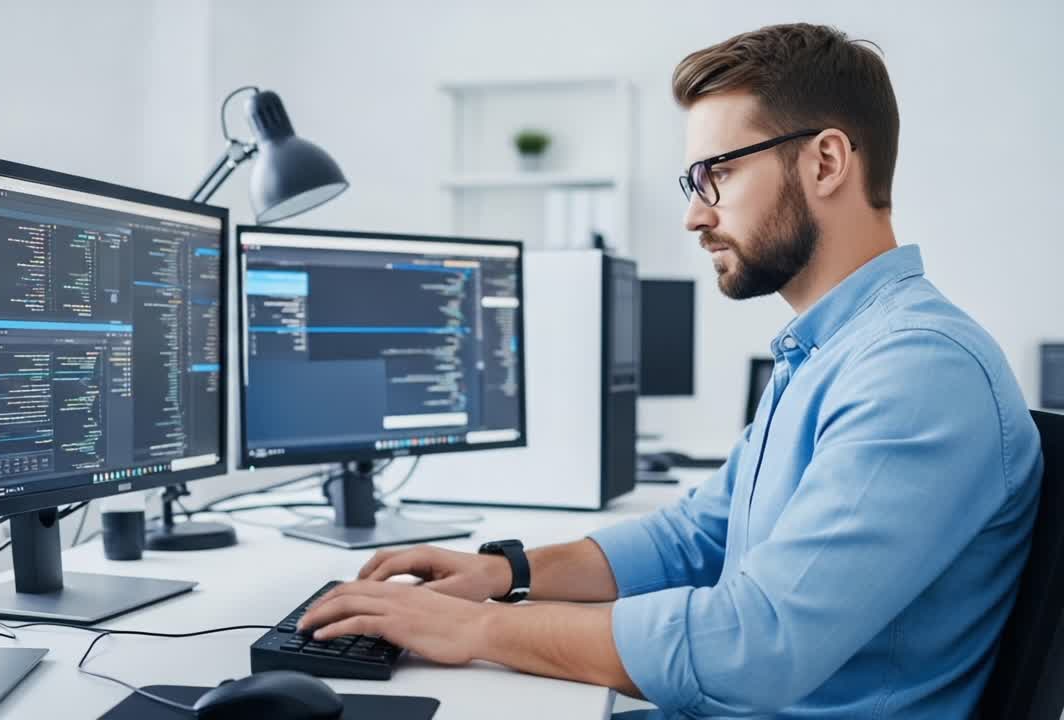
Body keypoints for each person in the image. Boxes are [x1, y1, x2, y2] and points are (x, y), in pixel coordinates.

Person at [299, 23, 1043, 718]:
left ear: (826, 161)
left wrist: (477, 630)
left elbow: (757, 642)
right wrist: (503, 573)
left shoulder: (917, 371)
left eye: (716, 173)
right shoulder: (825, 352)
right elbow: (697, 537)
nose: (694, 216)